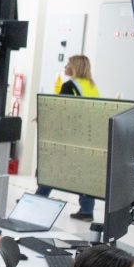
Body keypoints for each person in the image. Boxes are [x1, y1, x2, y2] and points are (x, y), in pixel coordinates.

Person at [35, 55, 100, 220]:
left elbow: (61, 110)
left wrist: (44, 117)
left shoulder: (69, 86)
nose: (65, 67)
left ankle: (37, 200)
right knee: (84, 173)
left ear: (75, 67)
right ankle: (87, 210)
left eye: (68, 64)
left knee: (51, 167)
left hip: (70, 136)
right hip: (88, 136)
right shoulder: (91, 86)